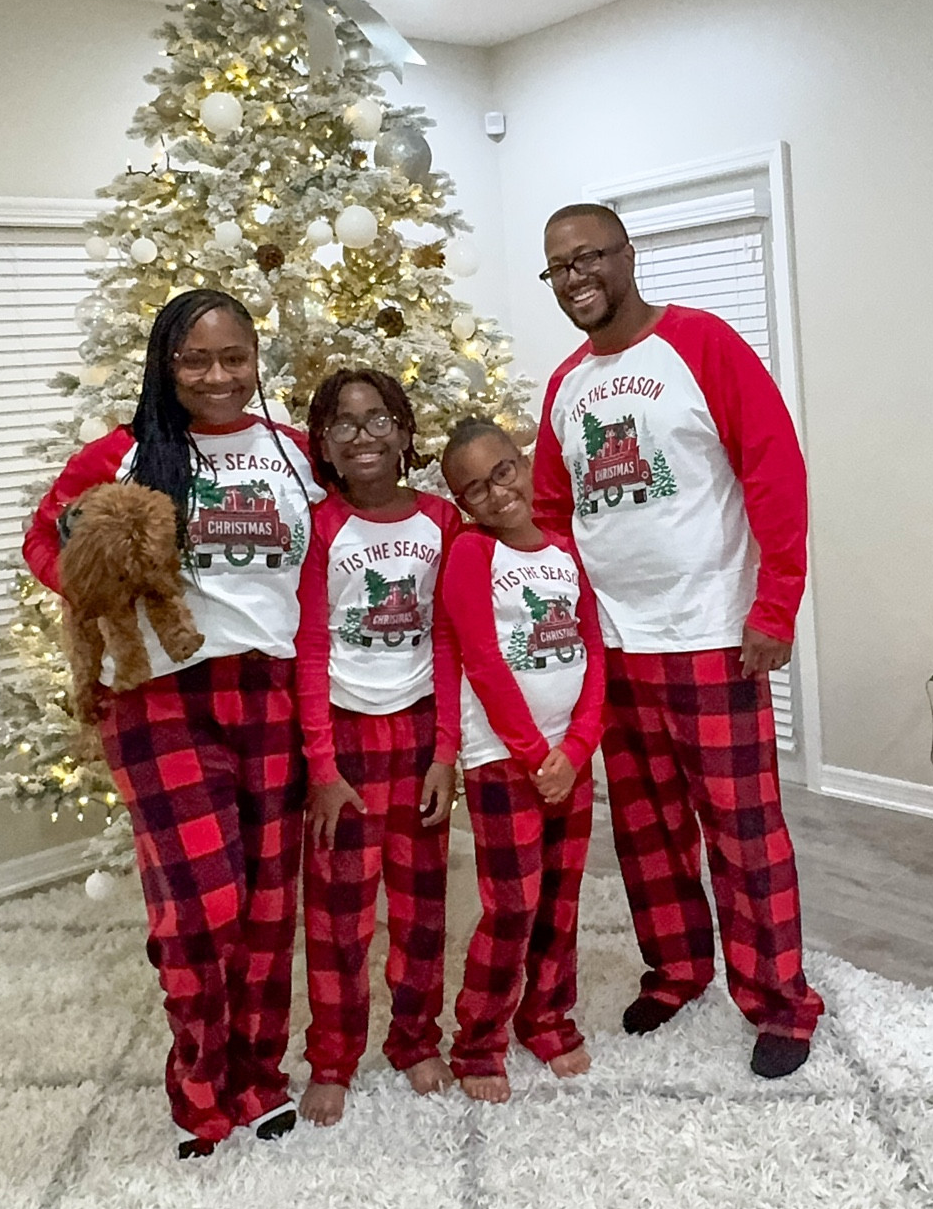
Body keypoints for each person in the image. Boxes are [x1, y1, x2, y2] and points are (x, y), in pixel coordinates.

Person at [23, 289, 321, 1157]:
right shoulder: (120, 456)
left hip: (270, 694)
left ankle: (260, 1074)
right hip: (159, 701)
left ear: (256, 361)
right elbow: (46, 543)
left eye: (235, 358)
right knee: (204, 905)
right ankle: (199, 1083)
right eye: (196, 360)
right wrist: (99, 589)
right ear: (166, 365)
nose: (218, 376)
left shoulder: (295, 455)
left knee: (268, 906)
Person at [532, 204, 823, 1078]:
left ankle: (779, 997)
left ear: (628, 256)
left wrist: (775, 607)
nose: (577, 276)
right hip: (612, 646)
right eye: (558, 267)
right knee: (649, 829)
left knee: (743, 830)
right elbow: (550, 513)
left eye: (591, 257)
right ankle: (679, 967)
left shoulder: (702, 345)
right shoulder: (564, 385)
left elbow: (775, 471)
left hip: (710, 635)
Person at [295, 368, 459, 1124]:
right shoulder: (320, 527)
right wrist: (322, 769)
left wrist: (445, 753)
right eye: (343, 425)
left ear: (402, 430)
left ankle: (415, 1036)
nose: (362, 436)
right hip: (346, 740)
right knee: (338, 914)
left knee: (422, 906)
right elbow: (311, 648)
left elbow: (454, 645)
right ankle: (333, 1052)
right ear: (323, 443)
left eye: (377, 419)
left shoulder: (442, 524)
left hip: (420, 732)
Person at [436, 418, 606, 1103]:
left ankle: (548, 1015)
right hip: (504, 765)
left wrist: (578, 747)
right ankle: (479, 1038)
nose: (495, 493)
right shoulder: (473, 557)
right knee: (513, 905)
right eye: (473, 489)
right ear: (463, 503)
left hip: (571, 759)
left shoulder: (568, 552)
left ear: (524, 464)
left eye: (502, 472)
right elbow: (482, 661)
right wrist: (539, 756)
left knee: (561, 899)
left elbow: (595, 654)